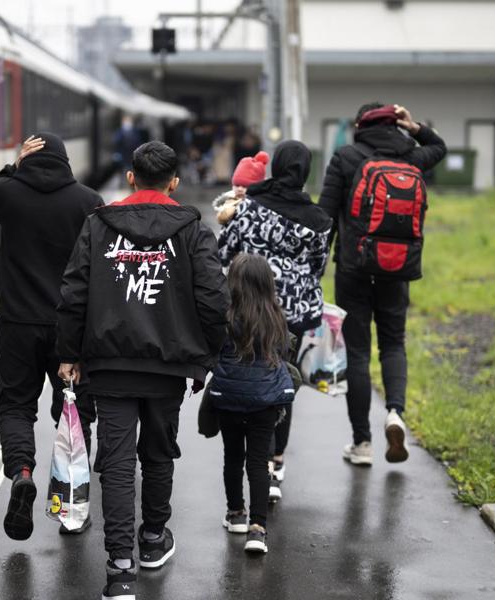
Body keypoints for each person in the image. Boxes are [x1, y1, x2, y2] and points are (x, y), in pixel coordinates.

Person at [55, 141, 228, 600]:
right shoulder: (193, 229)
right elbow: (214, 298)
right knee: (158, 452)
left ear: (131, 177)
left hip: (109, 364)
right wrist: (205, 356)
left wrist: (69, 352)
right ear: (174, 182)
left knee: (115, 463)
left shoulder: (98, 224)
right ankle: (152, 540)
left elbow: (74, 292)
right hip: (169, 365)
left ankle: (120, 569)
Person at [0, 132, 103, 541]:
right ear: (66, 161)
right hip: (70, 328)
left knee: (14, 406)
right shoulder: (87, 201)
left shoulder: (9, 193)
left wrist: (12, 167)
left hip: (18, 325)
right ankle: (71, 508)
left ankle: (22, 473)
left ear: (28, 159)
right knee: (73, 414)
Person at [317, 103, 446, 466]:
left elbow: (326, 217)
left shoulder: (346, 157)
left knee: (357, 353)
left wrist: (317, 267)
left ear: (359, 125)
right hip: (398, 267)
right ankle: (395, 413)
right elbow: (441, 148)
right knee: (393, 344)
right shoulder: (411, 157)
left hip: (355, 268)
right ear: (396, 123)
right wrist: (416, 127)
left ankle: (362, 443)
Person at [217, 140, 333, 500]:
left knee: (248, 378)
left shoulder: (251, 207)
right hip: (294, 316)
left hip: (250, 307)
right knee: (283, 385)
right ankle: (275, 460)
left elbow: (224, 250)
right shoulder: (319, 219)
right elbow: (319, 268)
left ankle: (257, 461)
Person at [208, 254, 296, 555]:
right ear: (267, 283)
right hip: (265, 400)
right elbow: (284, 349)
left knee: (232, 457)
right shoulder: (275, 316)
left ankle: (236, 515)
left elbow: (214, 348)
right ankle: (258, 529)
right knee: (258, 461)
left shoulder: (225, 315)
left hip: (229, 398)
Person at [211, 150, 269, 226]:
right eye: (237, 185)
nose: (240, 189)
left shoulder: (262, 204)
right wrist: (226, 212)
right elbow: (220, 219)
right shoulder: (230, 199)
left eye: (245, 186)